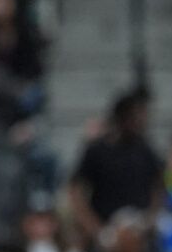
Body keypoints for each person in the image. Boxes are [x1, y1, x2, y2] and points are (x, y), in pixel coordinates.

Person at [68, 89, 163, 241]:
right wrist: (97, 230)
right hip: (106, 232)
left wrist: (150, 220)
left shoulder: (145, 150)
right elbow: (75, 191)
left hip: (139, 233)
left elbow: (158, 187)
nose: (142, 122)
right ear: (123, 117)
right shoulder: (97, 150)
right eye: (137, 117)